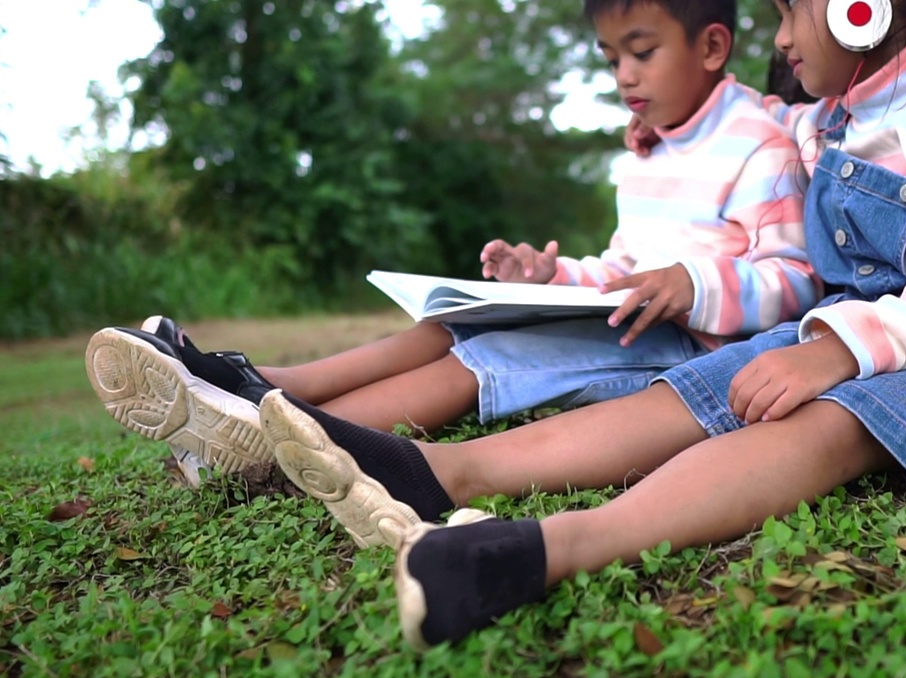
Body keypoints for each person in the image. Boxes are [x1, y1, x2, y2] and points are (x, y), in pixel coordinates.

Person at [249, 0, 906, 647]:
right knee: (688, 391)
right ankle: (439, 473)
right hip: (859, 324)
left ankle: (545, 551)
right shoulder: (831, 115)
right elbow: (751, 125)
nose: (783, 38)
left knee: (827, 424)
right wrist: (678, 129)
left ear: (857, 7)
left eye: (791, 12)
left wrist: (836, 354)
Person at [84, 0, 820, 489]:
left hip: (687, 345)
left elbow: (794, 279)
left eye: (642, 52)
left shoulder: (759, 145)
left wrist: (696, 284)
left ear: (713, 45)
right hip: (622, 315)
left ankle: (280, 448)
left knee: (481, 360)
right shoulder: (649, 151)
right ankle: (260, 382)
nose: (624, 75)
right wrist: (550, 272)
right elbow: (625, 266)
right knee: (452, 322)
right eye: (610, 57)